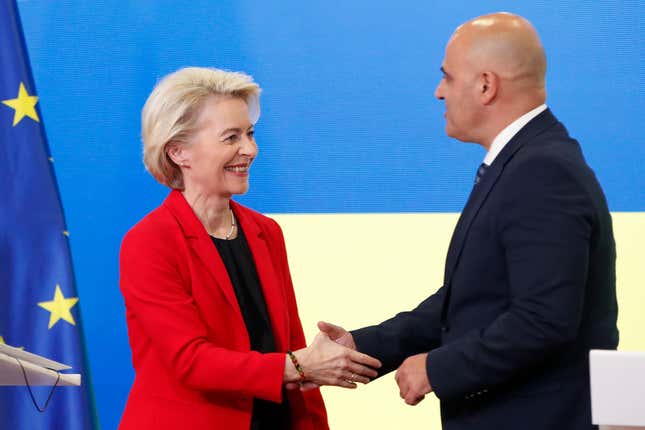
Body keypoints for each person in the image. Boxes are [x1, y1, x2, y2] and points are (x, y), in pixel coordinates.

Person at [319, 12, 618, 430]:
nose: (439, 92)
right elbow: (471, 298)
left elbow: (544, 319)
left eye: (448, 77)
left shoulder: (543, 172)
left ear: (485, 85)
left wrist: (437, 369)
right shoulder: (523, 162)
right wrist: (363, 345)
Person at [118, 67, 381, 430]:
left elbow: (292, 345)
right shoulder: (150, 241)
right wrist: (299, 365)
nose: (250, 149)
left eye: (250, 134)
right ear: (179, 151)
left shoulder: (265, 232)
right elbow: (190, 361)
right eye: (231, 138)